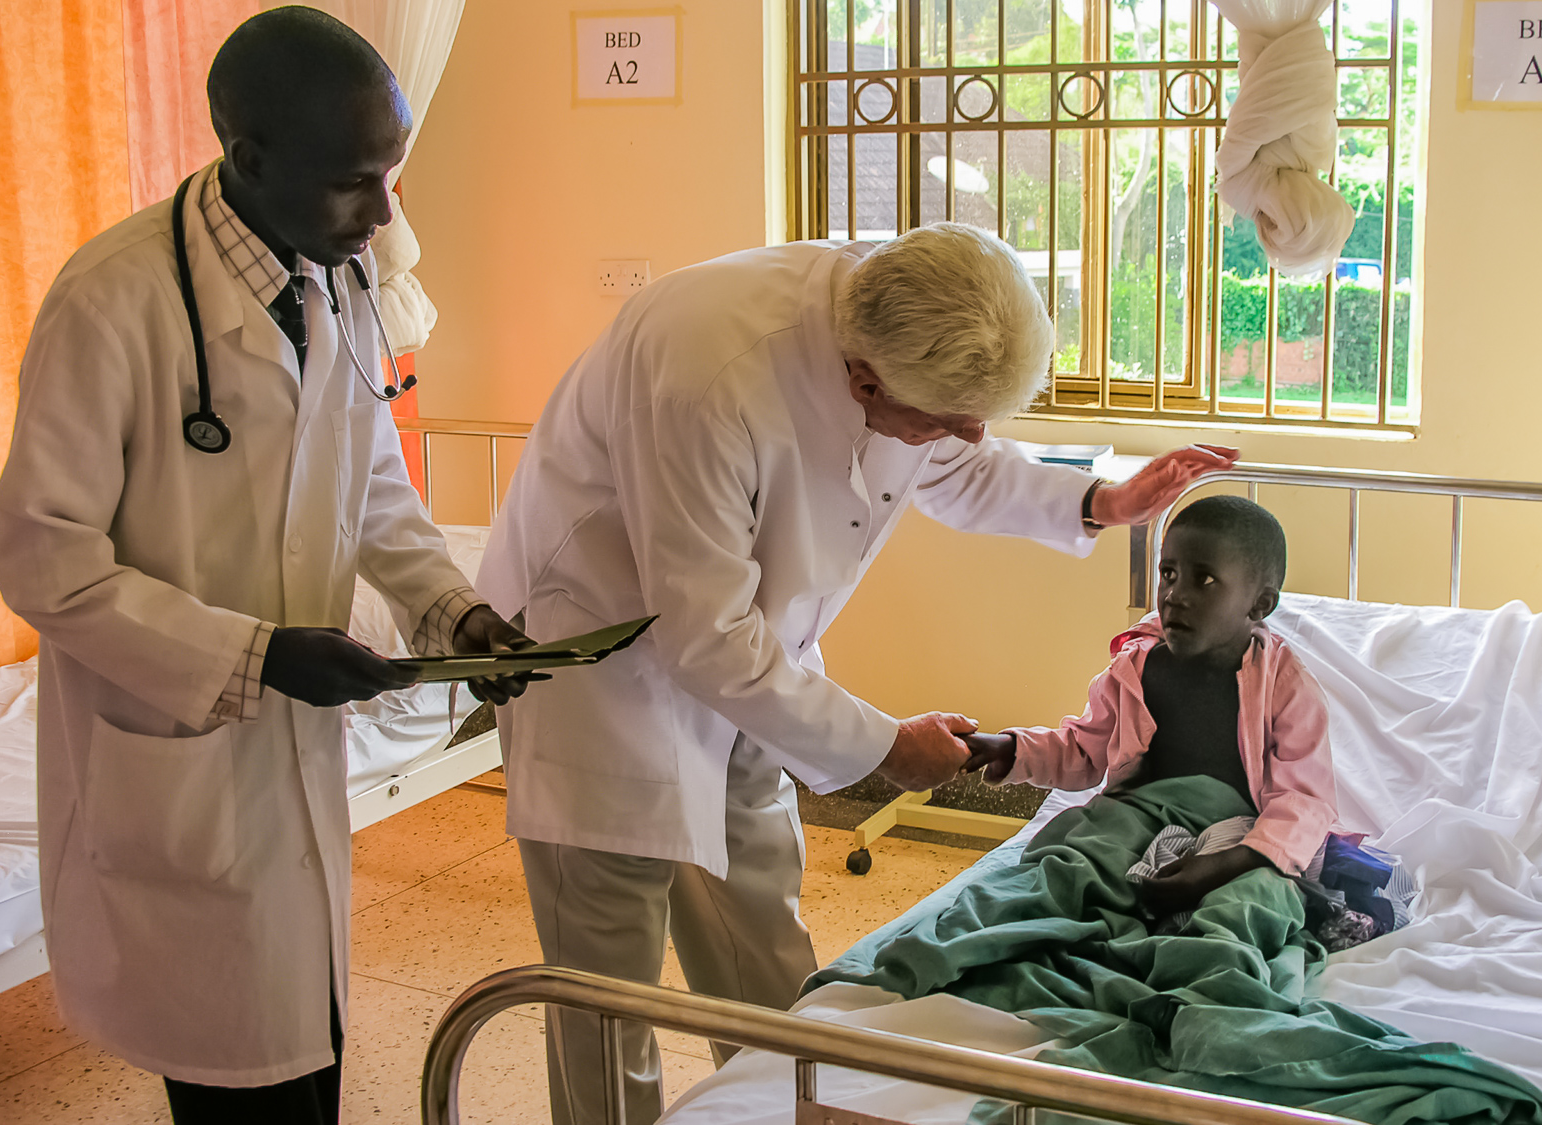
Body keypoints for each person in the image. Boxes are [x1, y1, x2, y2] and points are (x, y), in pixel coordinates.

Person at [476, 221, 1237, 1125]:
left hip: (757, 667)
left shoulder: (903, 305)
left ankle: (780, 1106)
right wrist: (883, 744)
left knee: (762, 931)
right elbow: (703, 636)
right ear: (864, 379)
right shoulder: (706, 370)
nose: (965, 434)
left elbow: (950, 458)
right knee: (611, 986)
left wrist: (1096, 502)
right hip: (604, 668)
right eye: (943, 418)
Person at [0, 9, 538, 1123]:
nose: (385, 213)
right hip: (183, 747)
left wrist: (453, 612)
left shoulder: (335, 274)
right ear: (251, 159)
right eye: (354, 183)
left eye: (392, 174)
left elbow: (372, 484)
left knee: (303, 1051)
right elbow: (40, 555)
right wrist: (256, 656)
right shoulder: (116, 300)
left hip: (288, 759)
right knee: (238, 1081)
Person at [961, 494, 1338, 914]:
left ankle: (1197, 965)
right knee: (1067, 864)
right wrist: (1012, 749)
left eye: (1205, 580)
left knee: (1256, 904)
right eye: (1169, 573)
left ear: (1260, 604)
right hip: (1134, 816)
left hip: (1239, 838)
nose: (1176, 594)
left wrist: (1225, 864)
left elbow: (1304, 803)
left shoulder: (1286, 688)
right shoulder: (1135, 668)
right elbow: (1084, 749)